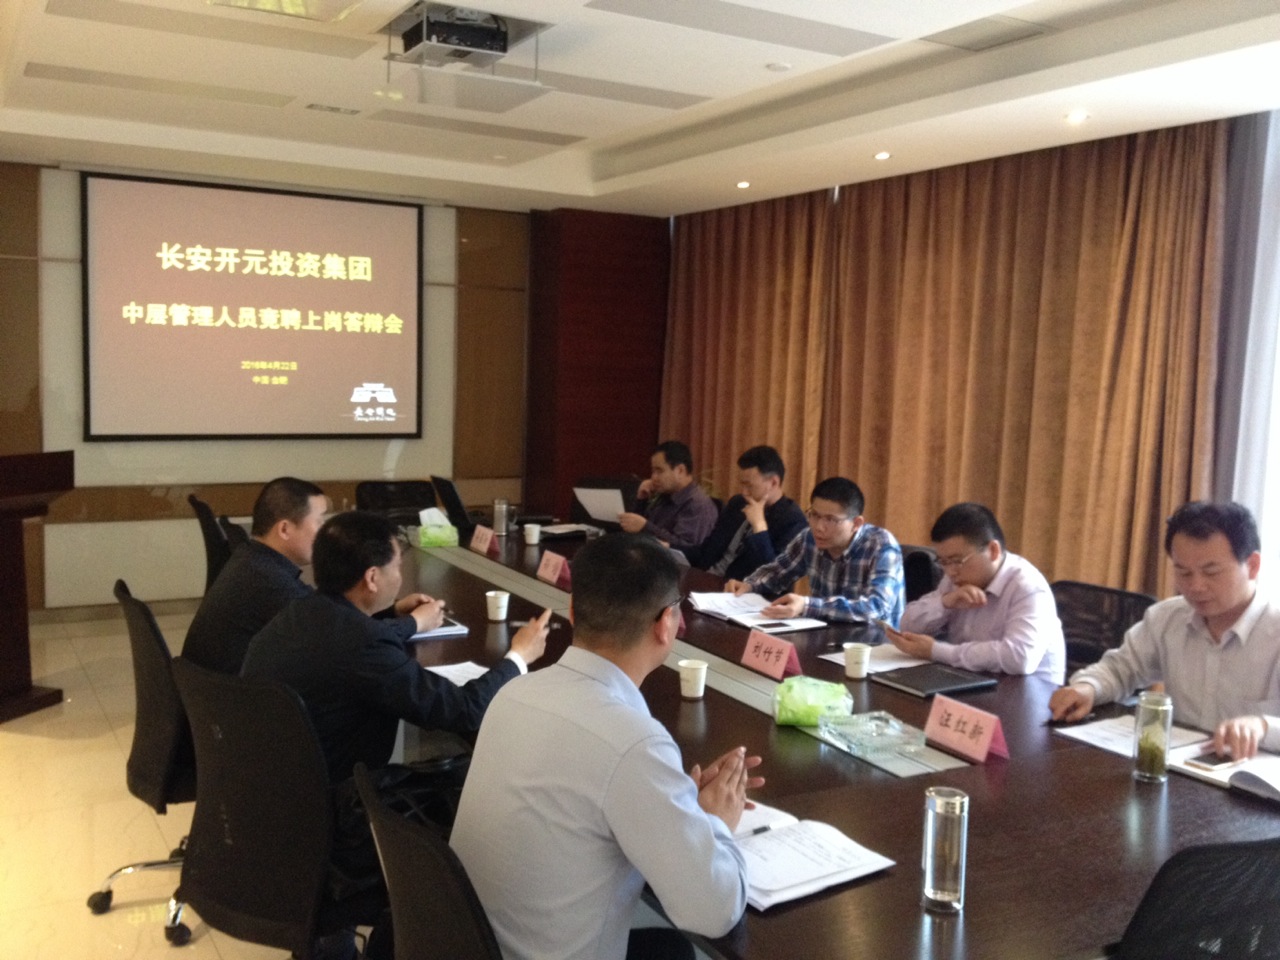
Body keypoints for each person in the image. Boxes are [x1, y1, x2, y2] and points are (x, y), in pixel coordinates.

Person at [450, 534, 761, 960]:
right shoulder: (634, 742)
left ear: (572, 610)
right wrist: (715, 822)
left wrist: (675, 802)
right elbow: (714, 912)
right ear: (665, 624)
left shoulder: (514, 693)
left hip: (474, 945)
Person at [241, 510, 551, 783]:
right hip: (337, 800)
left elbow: (345, 642)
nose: (400, 578)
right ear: (372, 577)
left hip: (272, 786)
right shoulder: (365, 644)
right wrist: (518, 657)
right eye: (398, 567)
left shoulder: (299, 610)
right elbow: (464, 711)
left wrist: (391, 614)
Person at [1048, 501, 1280, 759]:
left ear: (1253, 566)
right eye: (1184, 572)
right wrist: (1088, 687)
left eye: (1211, 572)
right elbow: (1121, 668)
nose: (1196, 586)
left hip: (1253, 776)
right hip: (1180, 766)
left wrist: (1263, 727)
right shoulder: (1167, 618)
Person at [183, 477, 435, 674]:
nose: (325, 531)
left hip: (217, 698)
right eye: (319, 521)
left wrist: (391, 610)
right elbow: (348, 639)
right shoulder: (270, 581)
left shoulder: (253, 560)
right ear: (284, 529)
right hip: (241, 705)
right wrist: (415, 623)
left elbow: (333, 618)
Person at [886, 502, 1065, 682]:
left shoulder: (1028, 586)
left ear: (993, 551)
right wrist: (945, 602)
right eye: (943, 562)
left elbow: (1019, 657)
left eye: (957, 561)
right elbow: (907, 625)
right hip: (970, 681)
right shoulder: (955, 579)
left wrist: (937, 651)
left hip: (1029, 689)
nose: (950, 572)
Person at [725, 477, 905, 626]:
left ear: (856, 523)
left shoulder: (881, 545)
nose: (819, 527)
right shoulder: (808, 538)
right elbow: (778, 572)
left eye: (831, 520)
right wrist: (750, 585)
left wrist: (806, 605)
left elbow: (876, 608)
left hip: (872, 645)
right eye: (815, 515)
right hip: (824, 633)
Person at [682, 445, 808, 581]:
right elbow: (708, 550)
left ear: (773, 483)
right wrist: (671, 549)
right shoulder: (738, 503)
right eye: (742, 484)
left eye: (749, 485)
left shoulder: (794, 521)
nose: (744, 492)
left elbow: (774, 576)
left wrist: (759, 527)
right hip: (707, 578)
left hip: (740, 589)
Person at [617, 440, 718, 551]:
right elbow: (633, 533)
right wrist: (642, 500)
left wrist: (645, 527)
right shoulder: (665, 495)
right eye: (653, 471)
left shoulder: (697, 505)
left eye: (659, 471)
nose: (653, 477)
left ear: (680, 470)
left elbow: (684, 549)